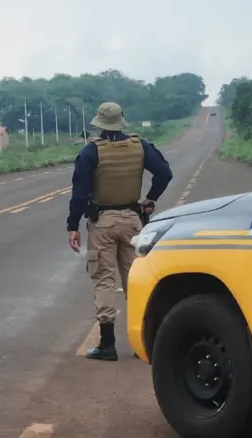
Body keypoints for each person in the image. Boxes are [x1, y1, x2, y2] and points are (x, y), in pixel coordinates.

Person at [66, 102, 173, 361]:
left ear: (99, 123)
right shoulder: (140, 146)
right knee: (135, 281)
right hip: (133, 220)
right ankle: (143, 343)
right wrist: (150, 199)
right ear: (121, 121)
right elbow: (164, 173)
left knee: (104, 280)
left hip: (102, 221)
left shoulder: (91, 152)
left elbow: (79, 193)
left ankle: (107, 344)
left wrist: (73, 225)